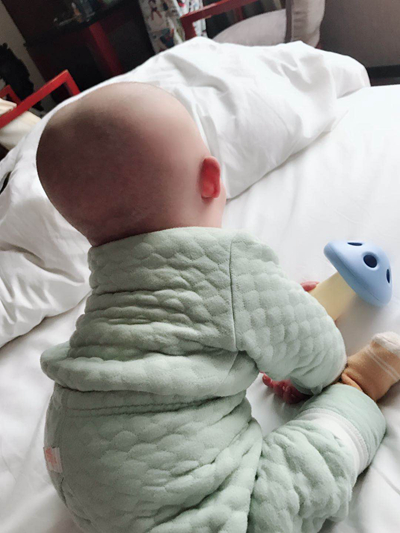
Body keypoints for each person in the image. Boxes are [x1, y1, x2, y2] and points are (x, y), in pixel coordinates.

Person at [36, 82, 399, 533]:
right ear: (211, 177)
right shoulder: (227, 264)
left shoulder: (111, 282)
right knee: (315, 458)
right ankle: (361, 390)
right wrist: (318, 373)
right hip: (176, 503)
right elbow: (317, 351)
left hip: (76, 468)